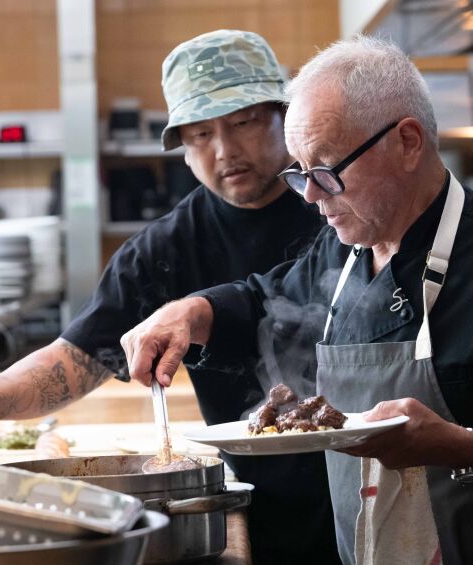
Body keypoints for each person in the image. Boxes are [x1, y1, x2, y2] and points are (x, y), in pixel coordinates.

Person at [0, 30, 337, 564]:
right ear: (183, 150)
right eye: (200, 133)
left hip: (372, 480)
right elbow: (75, 360)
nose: (225, 149)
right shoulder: (165, 250)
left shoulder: (340, 204)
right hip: (251, 498)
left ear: (285, 116)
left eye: (245, 122)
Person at [120, 35, 473, 565]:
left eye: (326, 170)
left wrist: (456, 445)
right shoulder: (346, 251)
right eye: (300, 172)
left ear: (407, 142)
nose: (309, 195)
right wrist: (192, 312)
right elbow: (265, 302)